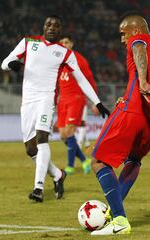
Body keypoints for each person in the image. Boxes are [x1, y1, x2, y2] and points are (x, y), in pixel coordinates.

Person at [1, 15, 110, 202]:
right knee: (30, 148)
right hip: (28, 101)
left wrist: (97, 102)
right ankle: (58, 175)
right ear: (43, 27)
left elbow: (81, 79)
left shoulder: (66, 53)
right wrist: (14, 65)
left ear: (60, 30)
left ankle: (38, 188)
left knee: (43, 138)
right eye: (48, 24)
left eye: (56, 25)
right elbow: (5, 63)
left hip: (47, 98)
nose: (52, 27)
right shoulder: (28, 43)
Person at [90, 12, 150, 235]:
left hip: (134, 109)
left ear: (135, 30)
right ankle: (113, 212)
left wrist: (142, 79)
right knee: (134, 159)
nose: (122, 40)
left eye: (123, 34)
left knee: (99, 160)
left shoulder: (139, 40)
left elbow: (139, 49)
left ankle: (119, 219)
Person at [57, 35, 98, 175]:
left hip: (75, 99)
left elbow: (90, 80)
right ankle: (84, 160)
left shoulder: (79, 59)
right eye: (61, 42)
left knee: (69, 132)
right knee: (63, 135)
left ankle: (70, 166)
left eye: (66, 42)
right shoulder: (56, 59)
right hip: (62, 99)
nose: (63, 44)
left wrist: (95, 101)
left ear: (72, 44)